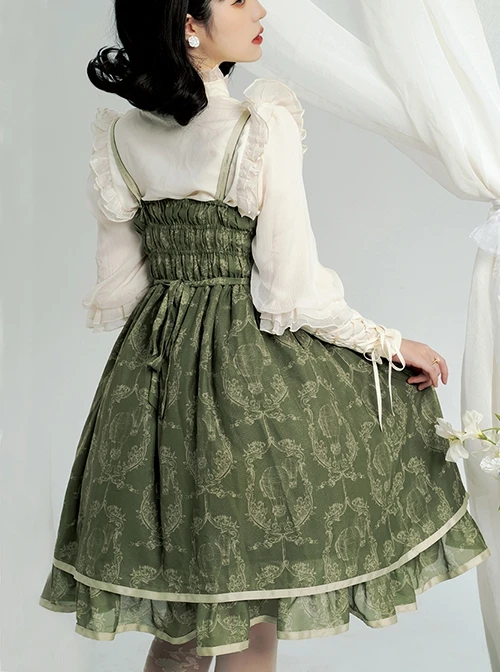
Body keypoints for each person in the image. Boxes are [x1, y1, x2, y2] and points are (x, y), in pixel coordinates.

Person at [38, 1, 492, 671]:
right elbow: (292, 290)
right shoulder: (258, 127)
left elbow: (123, 287)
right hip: (244, 387)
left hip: (149, 385)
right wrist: (390, 344)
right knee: (250, 612)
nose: (259, 9)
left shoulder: (122, 137)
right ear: (188, 22)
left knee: (184, 613)